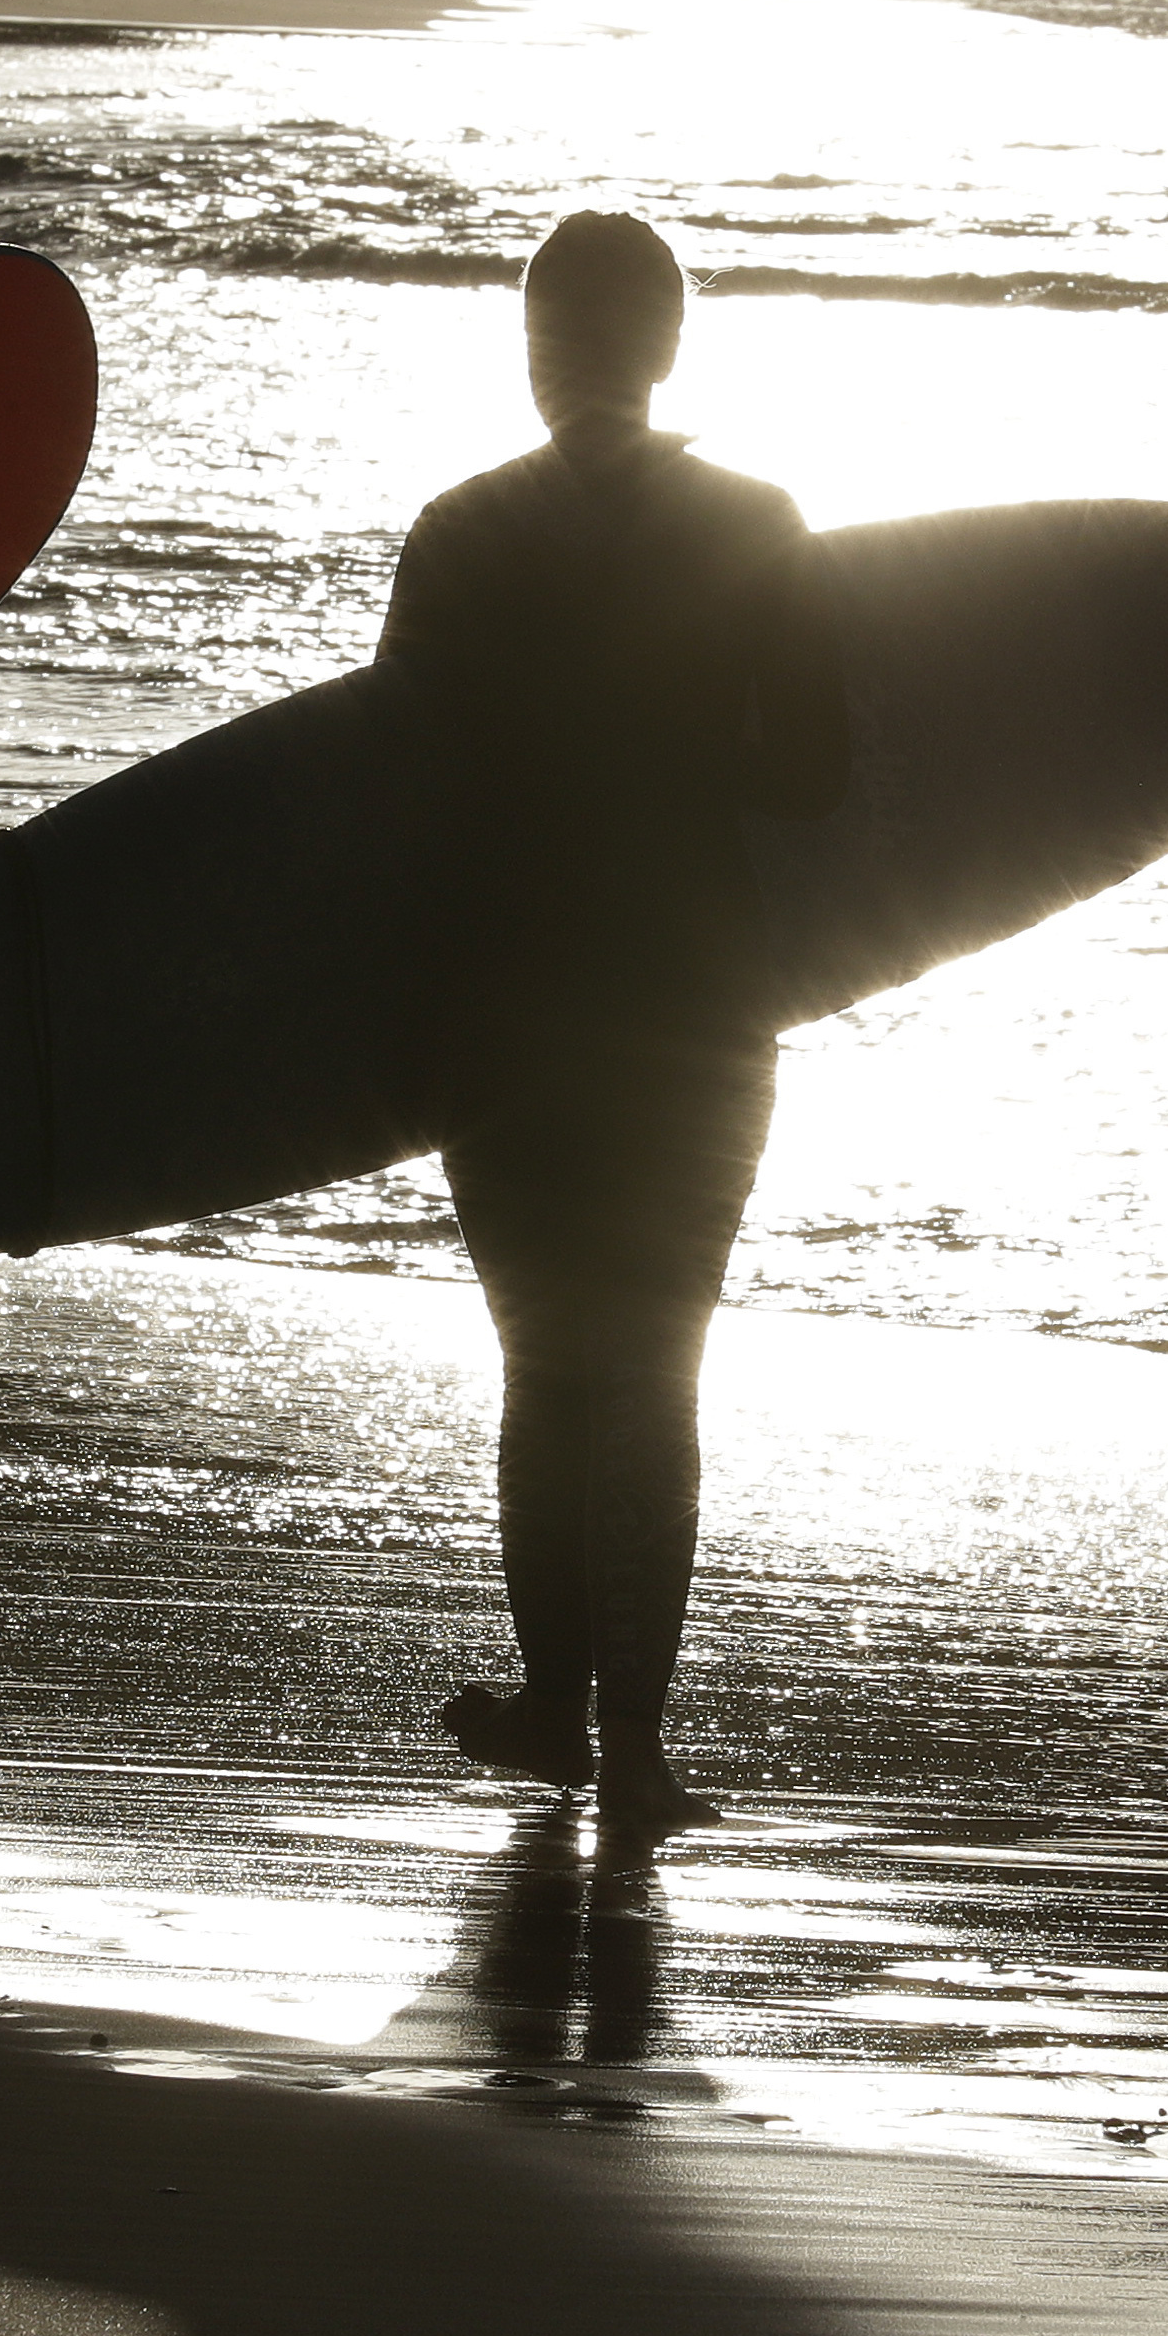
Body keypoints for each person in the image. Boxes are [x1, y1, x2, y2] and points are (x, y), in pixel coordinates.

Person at [378, 212, 845, 1848]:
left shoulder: (457, 536)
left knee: (543, 1363)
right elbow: (819, 779)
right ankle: (633, 1743)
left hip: (504, 1002)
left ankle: (553, 1709)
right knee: (655, 1365)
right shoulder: (756, 524)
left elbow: (392, 791)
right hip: (699, 1003)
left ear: (531, 346)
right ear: (666, 347)